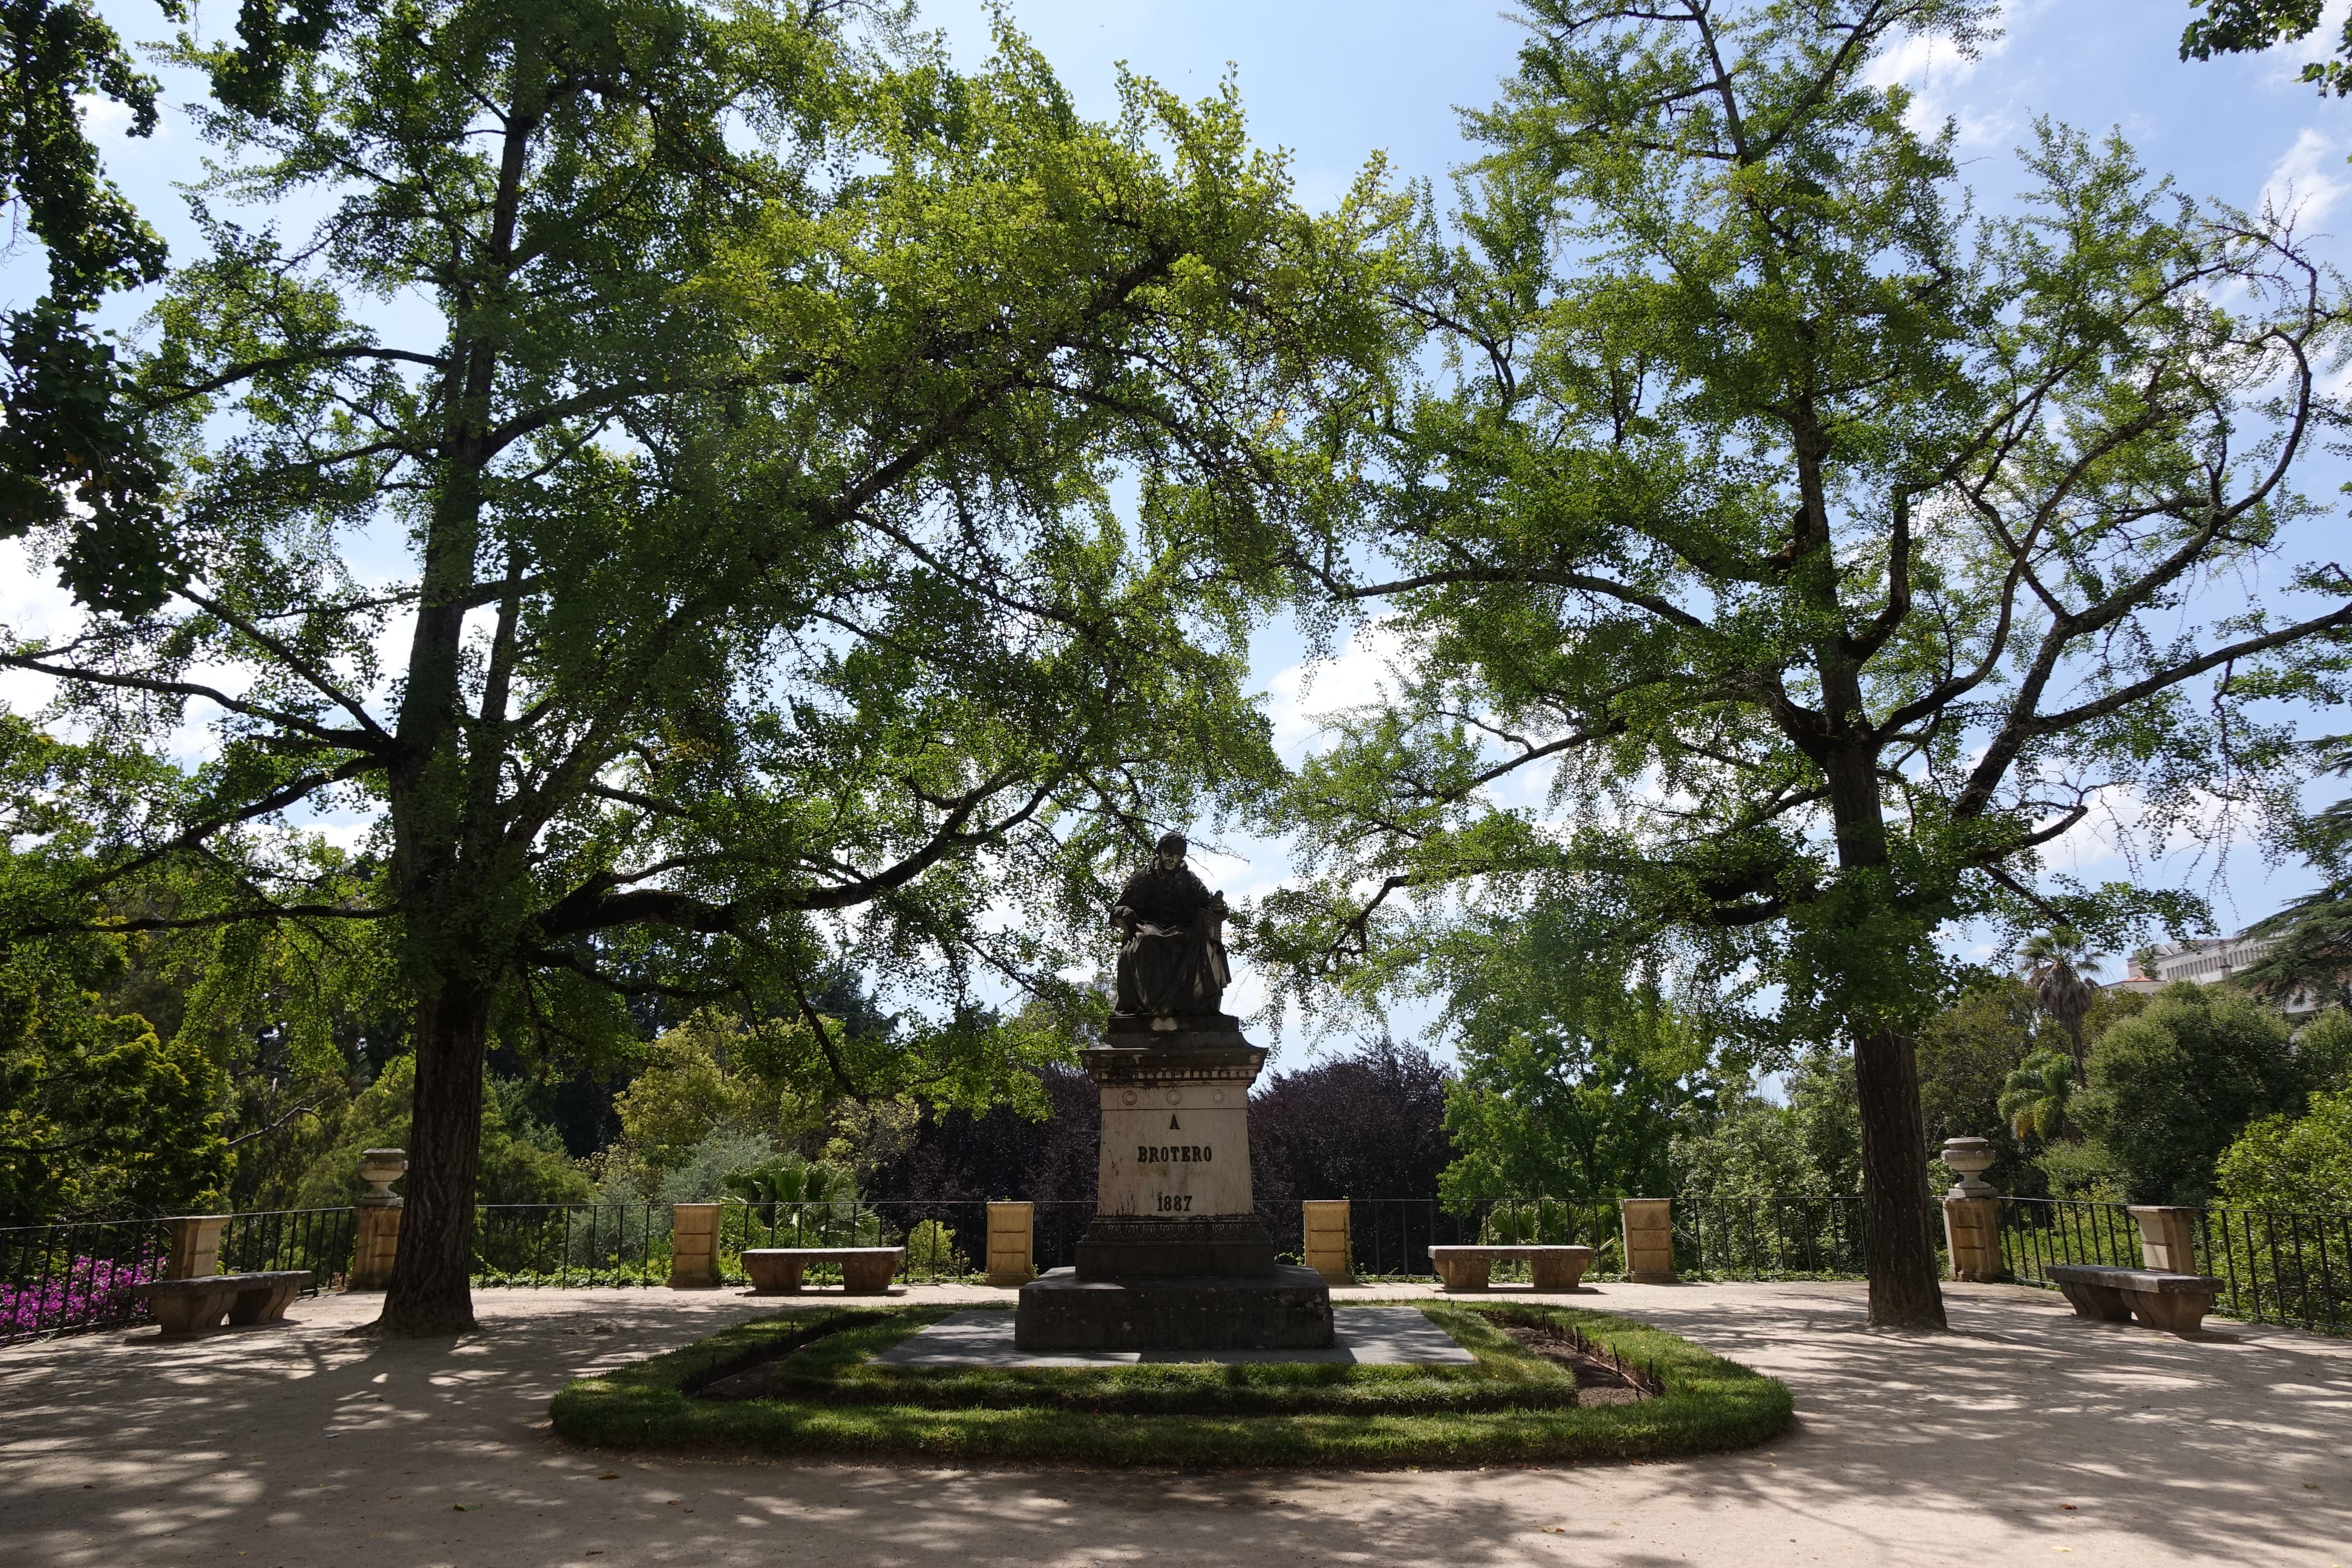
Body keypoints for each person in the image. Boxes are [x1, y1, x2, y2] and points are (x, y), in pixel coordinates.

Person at [1110, 833, 1230, 1017]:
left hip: (1181, 928)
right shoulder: (1143, 877)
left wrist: (1219, 908)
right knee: (1147, 940)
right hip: (1148, 926)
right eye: (1168, 853)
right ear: (1160, 852)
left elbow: (1208, 904)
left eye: (1176, 855)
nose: (1171, 859)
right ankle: (1150, 1006)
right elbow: (1117, 908)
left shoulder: (1190, 880)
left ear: (1181, 857)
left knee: (1192, 942)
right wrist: (1124, 911)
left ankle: (1185, 1006)